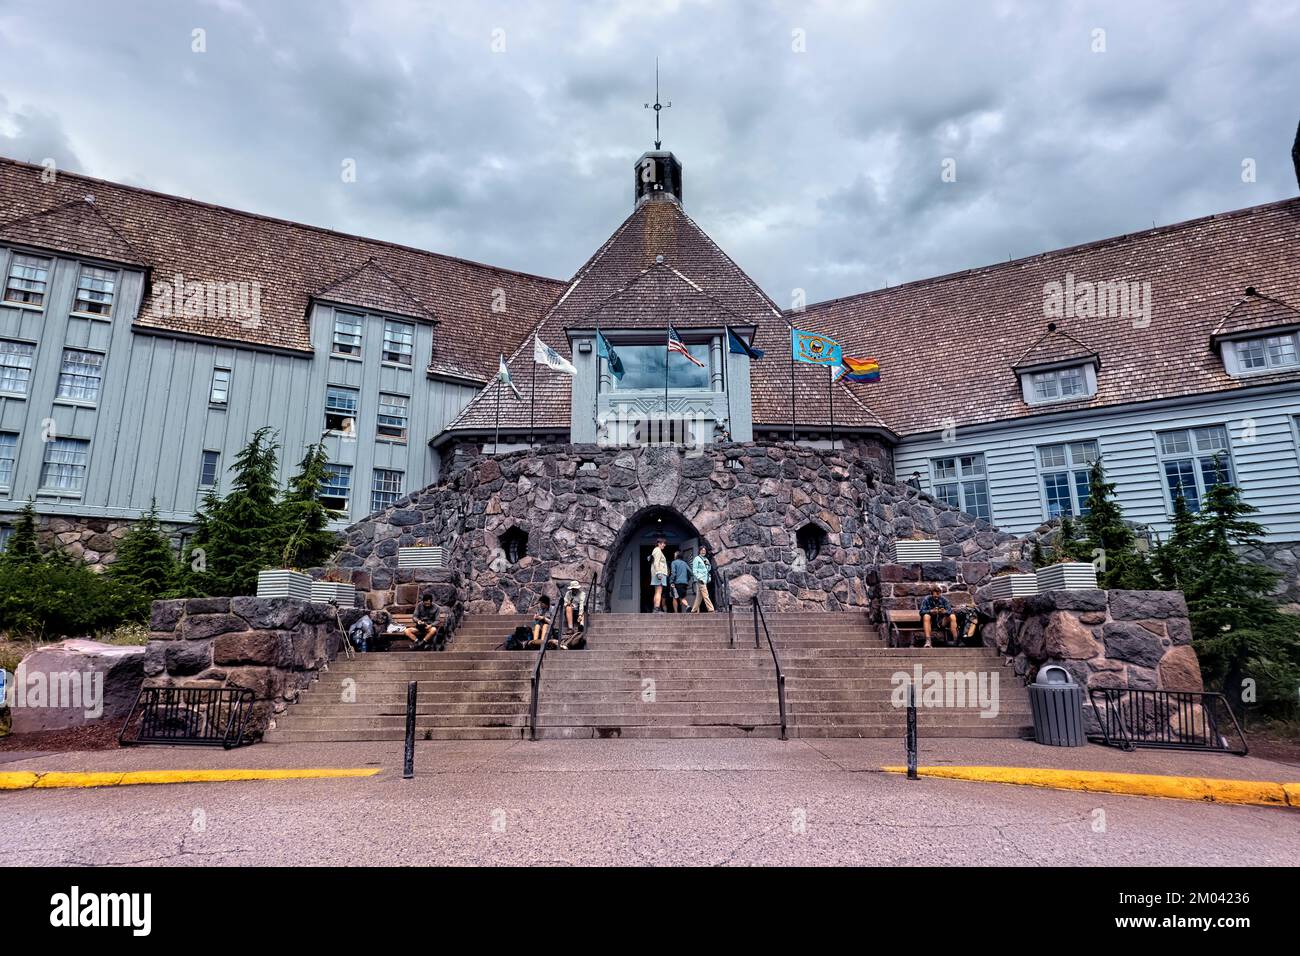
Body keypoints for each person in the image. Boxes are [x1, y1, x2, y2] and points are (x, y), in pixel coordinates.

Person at [691, 544, 715, 613]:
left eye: (704, 551)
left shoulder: (706, 559)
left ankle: (694, 610)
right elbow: (694, 570)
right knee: (706, 594)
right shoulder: (697, 559)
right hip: (701, 580)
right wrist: (699, 578)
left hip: (705, 579)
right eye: (702, 550)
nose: (703, 552)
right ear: (699, 551)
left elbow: (709, 569)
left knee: (699, 596)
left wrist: (707, 565)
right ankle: (711, 609)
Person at [648, 535, 669, 613]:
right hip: (659, 574)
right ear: (658, 543)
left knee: (657, 591)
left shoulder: (657, 550)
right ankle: (656, 608)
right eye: (662, 543)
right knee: (659, 592)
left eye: (664, 543)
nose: (664, 545)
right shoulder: (657, 550)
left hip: (658, 574)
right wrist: (659, 573)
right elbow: (656, 563)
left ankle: (656, 608)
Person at [669, 548, 691, 614]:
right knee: (681, 596)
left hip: (677, 583)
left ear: (677, 555)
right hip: (684, 583)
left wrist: (671, 581)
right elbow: (690, 572)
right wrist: (687, 579)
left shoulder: (674, 562)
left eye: (675, 554)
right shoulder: (684, 563)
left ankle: (686, 607)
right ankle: (687, 607)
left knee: (675, 597)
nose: (674, 555)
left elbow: (674, 573)